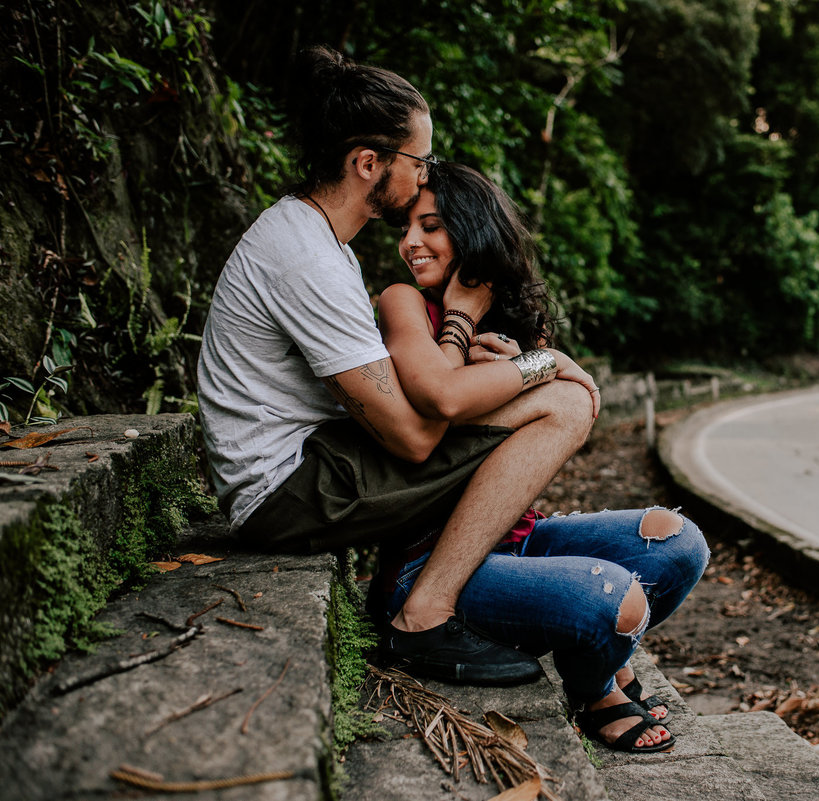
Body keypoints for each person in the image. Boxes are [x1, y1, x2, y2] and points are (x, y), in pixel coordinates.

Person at [197, 45, 601, 685]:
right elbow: (416, 435)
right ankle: (424, 616)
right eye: (420, 162)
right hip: (285, 493)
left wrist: (493, 365)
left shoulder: (316, 242)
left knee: (543, 396)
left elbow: (414, 399)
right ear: (368, 163)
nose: (423, 177)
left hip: (310, 465)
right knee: (565, 404)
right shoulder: (307, 260)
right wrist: (538, 362)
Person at [369, 162, 709, 753]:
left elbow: (569, 406)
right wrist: (460, 320)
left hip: (517, 539)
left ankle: (599, 660)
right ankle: (597, 688)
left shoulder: (518, 325)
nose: (410, 243)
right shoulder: (404, 304)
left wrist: (521, 361)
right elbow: (439, 401)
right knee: (611, 598)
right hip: (426, 565)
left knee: (680, 543)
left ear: (473, 232)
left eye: (431, 226)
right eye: (406, 229)